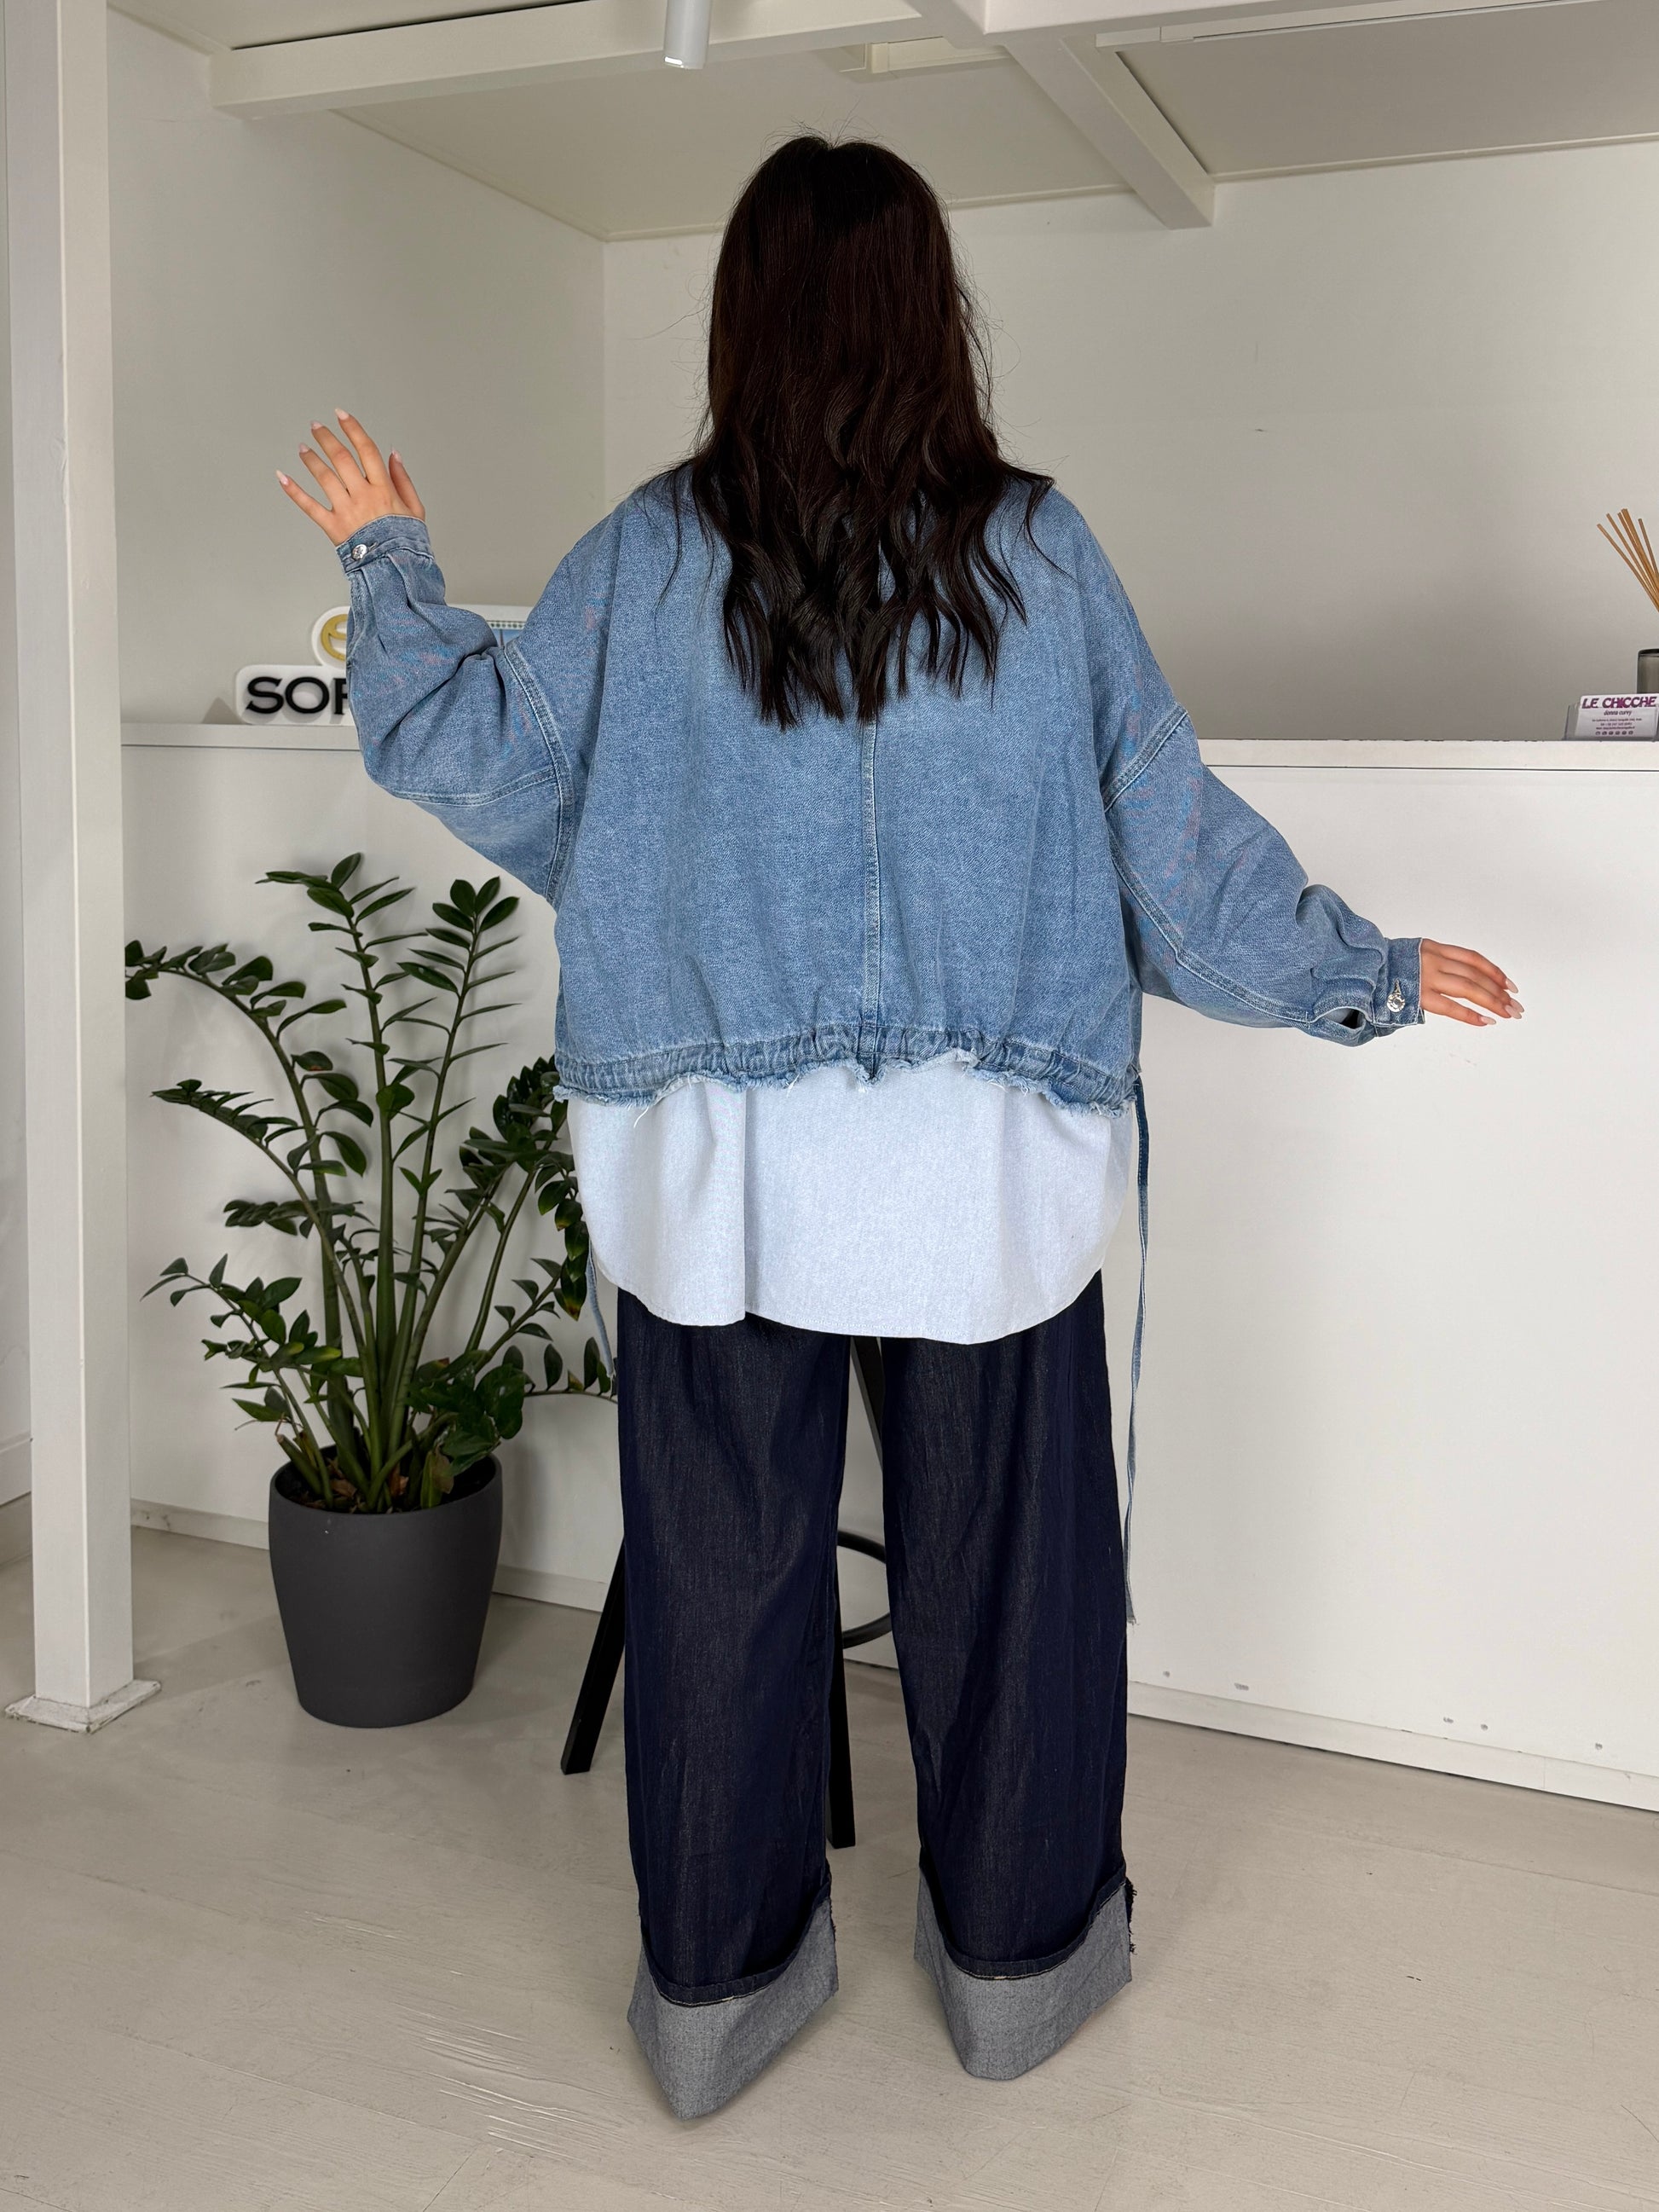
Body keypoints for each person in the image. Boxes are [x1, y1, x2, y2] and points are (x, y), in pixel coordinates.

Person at [277, 136, 1518, 2121]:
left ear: (741, 312)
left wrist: (388, 562)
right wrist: (1353, 967)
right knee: (1009, 1582)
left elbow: (484, 758)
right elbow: (1165, 836)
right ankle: (1016, 1973)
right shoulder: (1036, 551)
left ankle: (714, 2001)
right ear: (932, 311)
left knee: (720, 1583)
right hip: (982, 1171)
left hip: (716, 1177)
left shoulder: (645, 555)